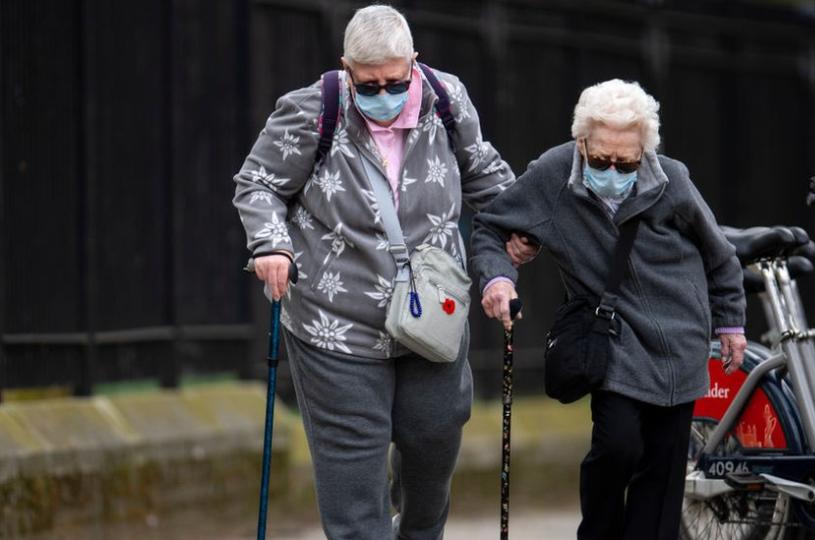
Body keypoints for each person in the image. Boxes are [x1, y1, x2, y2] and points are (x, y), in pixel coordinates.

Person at [232, 5, 535, 539]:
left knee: (433, 442)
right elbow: (258, 183)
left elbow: (484, 173)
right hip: (336, 320)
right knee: (353, 473)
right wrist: (271, 245)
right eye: (367, 84)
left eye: (395, 81)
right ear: (345, 67)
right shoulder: (312, 110)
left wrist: (521, 227)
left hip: (433, 313)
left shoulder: (446, 99)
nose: (383, 95)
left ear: (414, 63)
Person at [470, 79, 748, 540]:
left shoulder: (672, 180)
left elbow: (719, 254)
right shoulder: (553, 175)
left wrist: (730, 323)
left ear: (645, 151)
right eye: (600, 159)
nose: (613, 170)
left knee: (662, 475)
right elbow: (490, 228)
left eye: (627, 162)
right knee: (617, 446)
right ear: (581, 142)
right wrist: (499, 279)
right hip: (613, 338)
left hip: (680, 338)